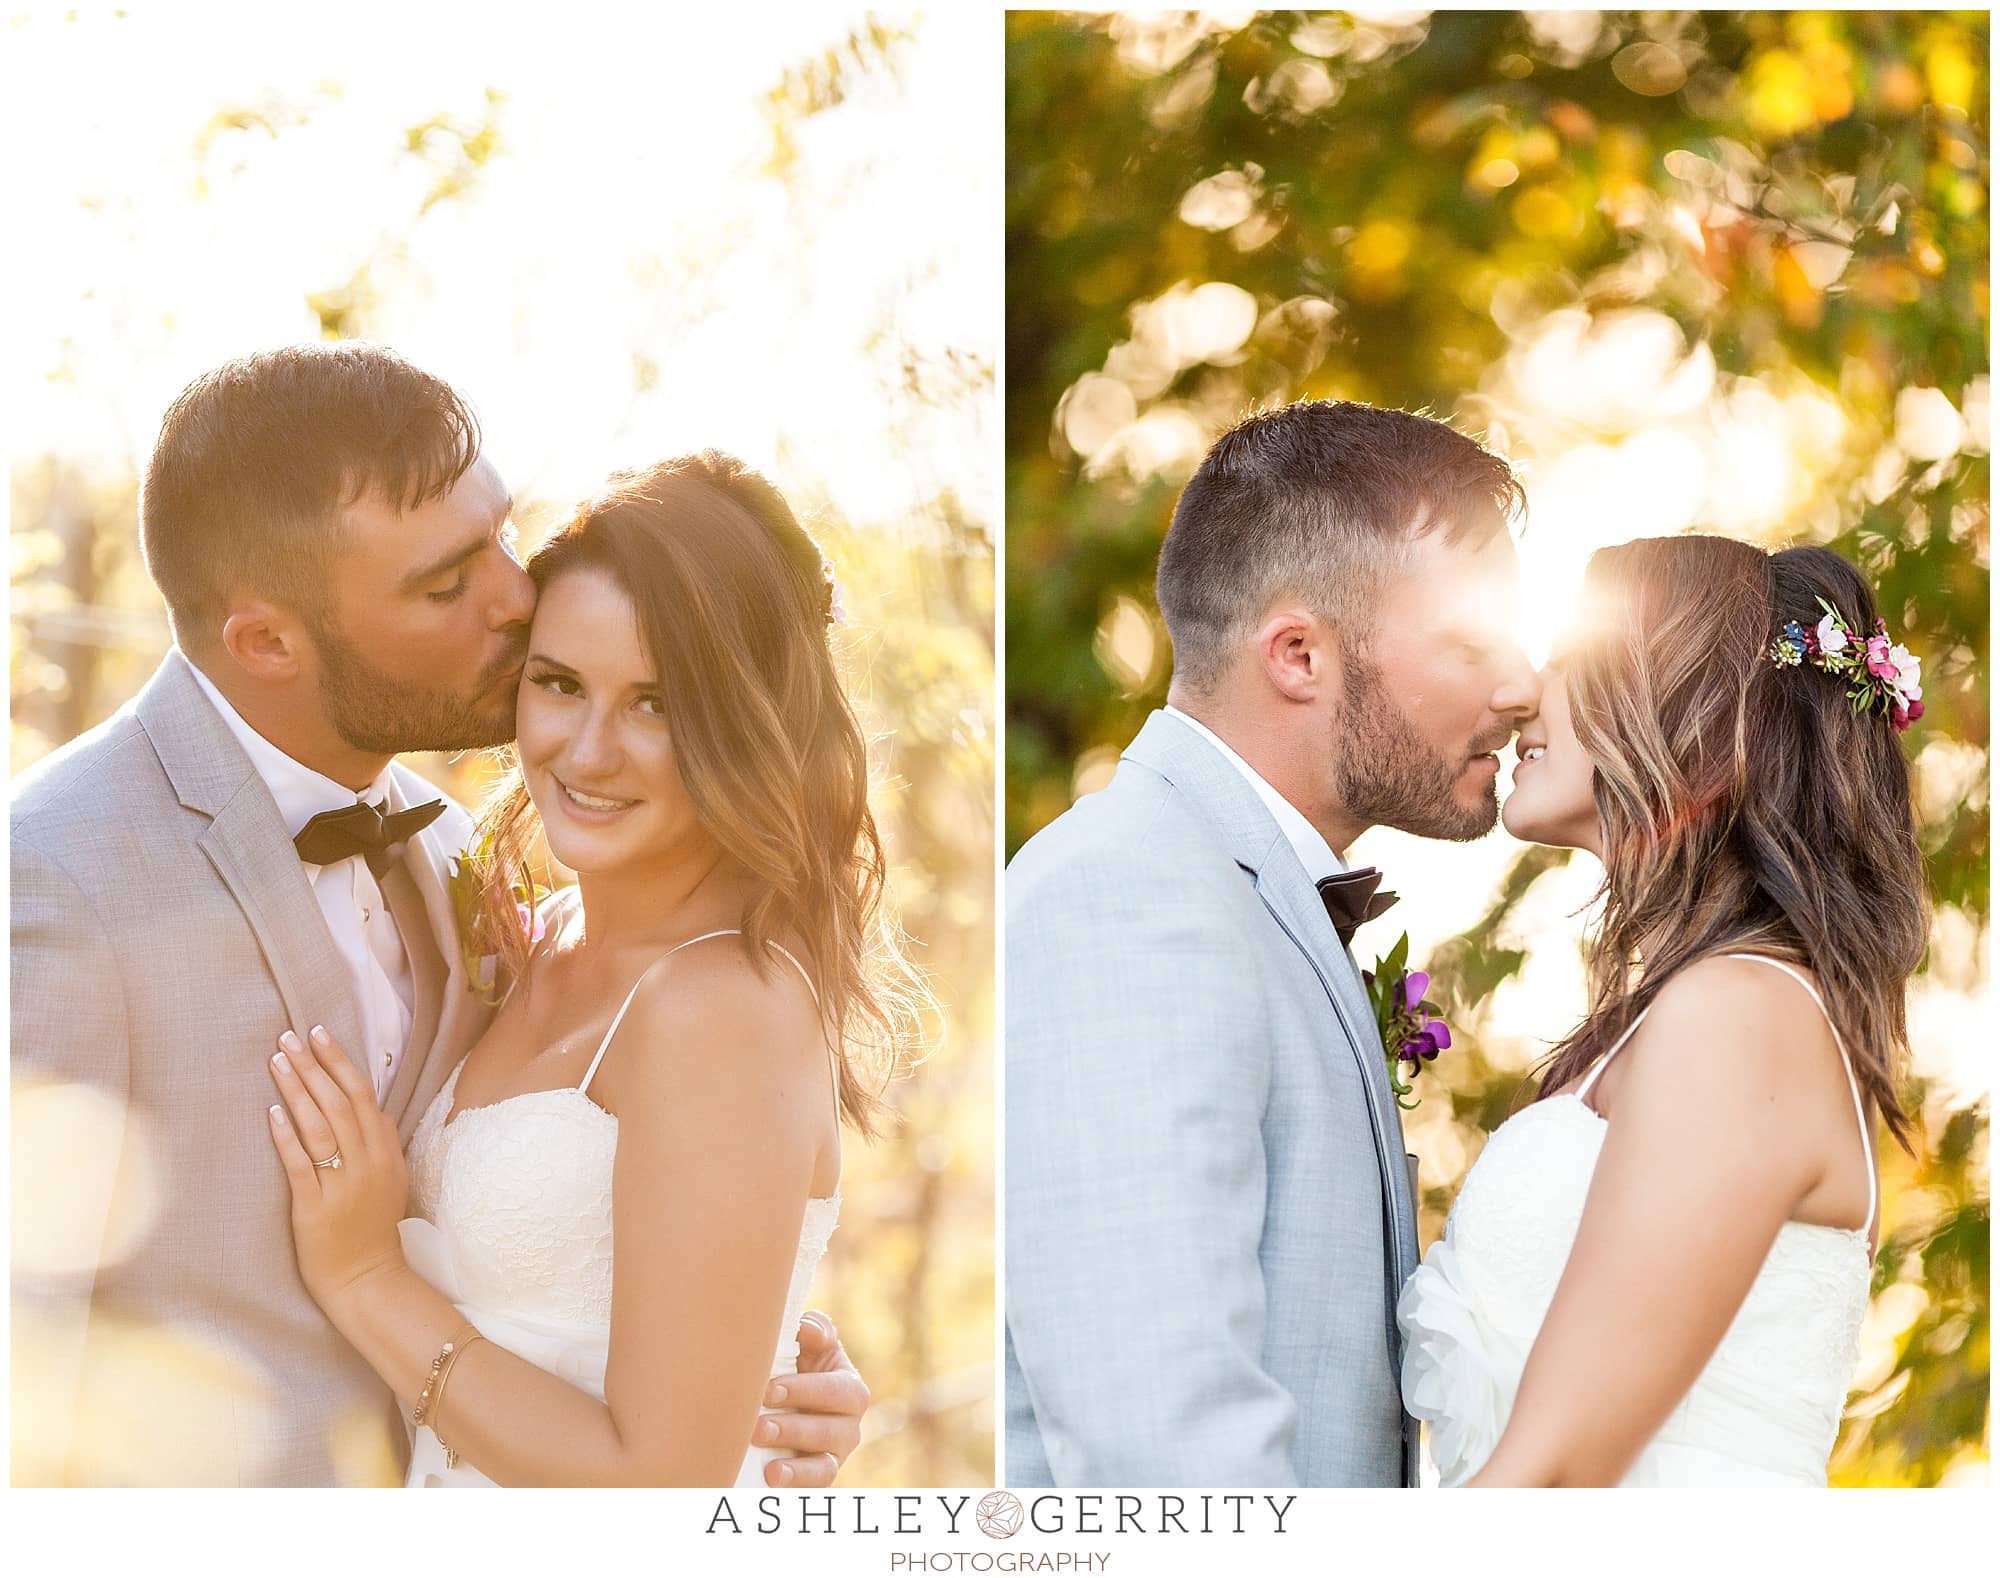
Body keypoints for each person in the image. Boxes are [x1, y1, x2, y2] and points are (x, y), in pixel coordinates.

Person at [10, 344, 870, 1486]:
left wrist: (747, 1381)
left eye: (498, 538)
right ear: (267, 640)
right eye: (446, 581)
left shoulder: (459, 860)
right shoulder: (56, 877)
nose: (515, 598)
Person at [264, 450, 928, 1486]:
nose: (587, 752)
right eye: (560, 684)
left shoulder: (724, 1006)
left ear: (746, 724)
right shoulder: (527, 938)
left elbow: (659, 1490)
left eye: (656, 704)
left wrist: (363, 1279)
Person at [1005, 400, 1540, 1485]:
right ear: (1297, 654)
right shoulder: (1127, 894)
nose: (1519, 686)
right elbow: (1160, 1441)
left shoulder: (1232, 892)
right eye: (1471, 642)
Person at [1399, 535, 1925, 1486]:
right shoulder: (1700, 1009)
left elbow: (1554, 1476)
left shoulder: (1740, 1015)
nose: (1523, 695)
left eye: (1571, 661)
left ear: (1686, 719)